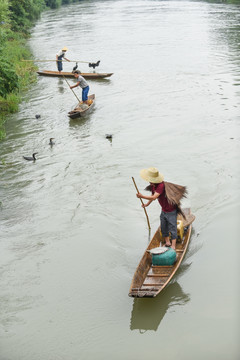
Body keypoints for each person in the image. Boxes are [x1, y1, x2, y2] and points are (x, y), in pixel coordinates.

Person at [136, 167, 178, 250]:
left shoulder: (161, 185)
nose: (149, 181)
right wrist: (147, 204)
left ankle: (173, 245)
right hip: (164, 210)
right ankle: (167, 242)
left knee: (172, 227)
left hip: (171, 210)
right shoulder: (153, 186)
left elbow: (155, 196)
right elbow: (152, 197)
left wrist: (142, 196)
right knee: (163, 226)